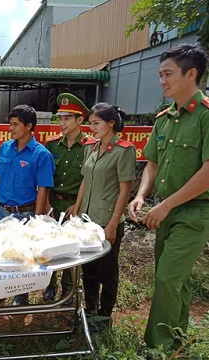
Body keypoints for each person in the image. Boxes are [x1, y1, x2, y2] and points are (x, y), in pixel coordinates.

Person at [128, 44, 209, 356]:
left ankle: (157, 347)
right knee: (172, 280)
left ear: (191, 74)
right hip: (164, 211)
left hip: (195, 212)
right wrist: (141, 196)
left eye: (168, 74)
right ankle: (178, 338)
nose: (162, 81)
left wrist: (166, 204)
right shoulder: (164, 119)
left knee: (167, 278)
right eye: (160, 75)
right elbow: (151, 164)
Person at [0, 104, 55, 307]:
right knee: (1, 252)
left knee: (23, 256)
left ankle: (21, 296)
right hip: (2, 211)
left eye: (15, 124)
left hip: (26, 213)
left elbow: (43, 189)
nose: (10, 129)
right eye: (10, 124)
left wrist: (38, 220)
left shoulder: (41, 155)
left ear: (29, 126)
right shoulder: (5, 148)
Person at [72, 103, 136, 328]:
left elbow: (125, 189)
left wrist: (113, 222)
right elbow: (85, 180)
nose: (92, 128)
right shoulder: (91, 147)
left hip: (107, 219)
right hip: (87, 219)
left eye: (96, 123)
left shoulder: (124, 150)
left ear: (111, 123)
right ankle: (90, 309)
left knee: (107, 269)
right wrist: (76, 208)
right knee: (89, 267)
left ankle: (105, 314)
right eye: (90, 123)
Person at [43, 93, 91, 303]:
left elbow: (87, 179)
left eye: (67, 118)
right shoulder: (52, 145)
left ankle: (68, 289)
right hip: (53, 202)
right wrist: (45, 204)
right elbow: (43, 177)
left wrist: (77, 206)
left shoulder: (90, 146)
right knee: (50, 245)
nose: (61, 123)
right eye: (59, 118)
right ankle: (49, 286)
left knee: (72, 247)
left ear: (80, 120)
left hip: (75, 203)